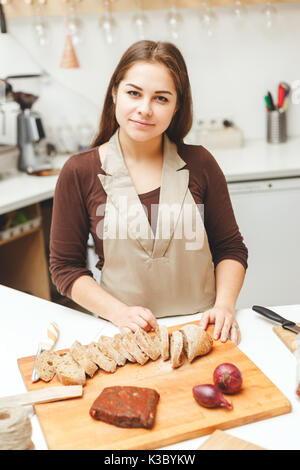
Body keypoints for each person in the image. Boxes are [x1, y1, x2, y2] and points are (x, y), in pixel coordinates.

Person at [49, 40, 248, 345]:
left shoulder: (200, 163)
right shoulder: (80, 172)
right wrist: (118, 313)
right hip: (124, 334)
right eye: (134, 93)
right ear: (115, 93)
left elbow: (230, 248)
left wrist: (224, 306)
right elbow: (65, 268)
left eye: (161, 98)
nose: (145, 109)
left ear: (177, 105)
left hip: (203, 331)